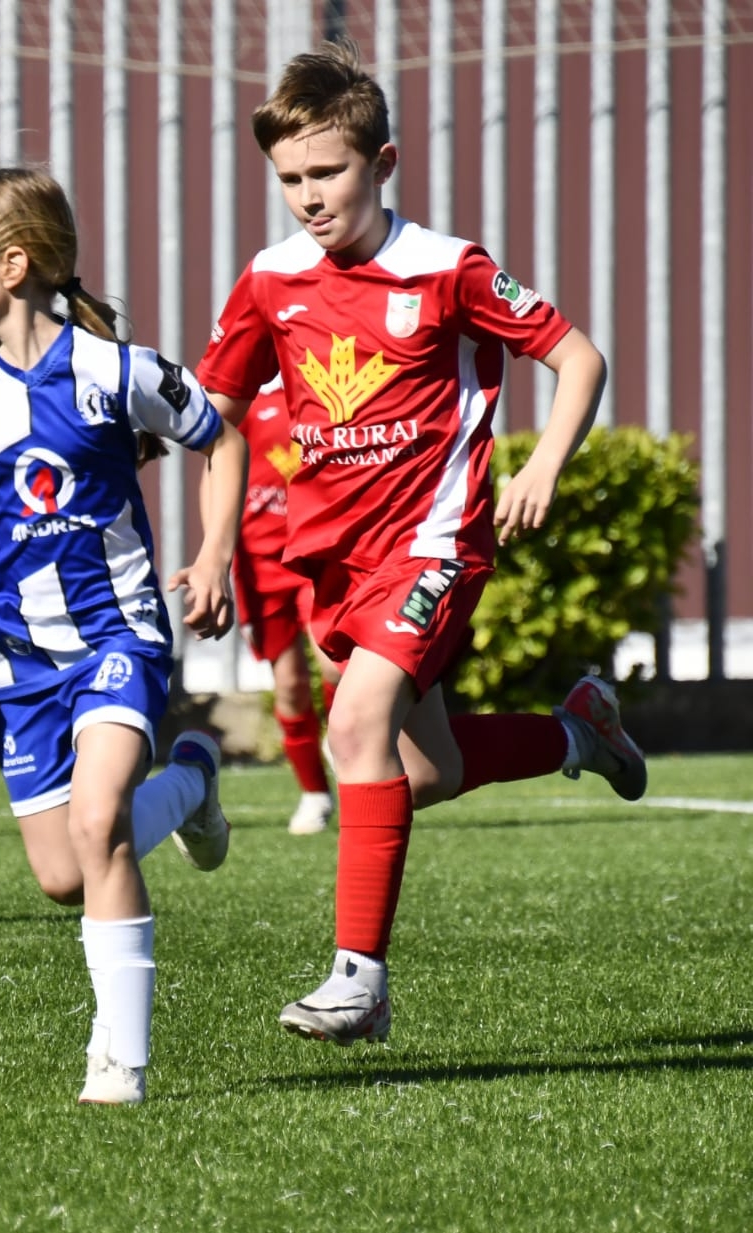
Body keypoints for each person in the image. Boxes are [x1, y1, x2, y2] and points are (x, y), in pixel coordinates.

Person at [196, 41, 647, 1047]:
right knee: (420, 770)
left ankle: (359, 981)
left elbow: (577, 356)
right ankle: (580, 730)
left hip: (435, 544)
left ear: (383, 163)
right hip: (336, 566)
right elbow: (213, 416)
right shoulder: (269, 282)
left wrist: (542, 468)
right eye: (290, 181)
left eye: (328, 173)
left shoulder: (446, 268)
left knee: (356, 731)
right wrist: (208, 548)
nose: (309, 197)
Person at [0, 166, 248, 1105]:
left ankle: (119, 1058)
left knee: (96, 820)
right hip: (18, 659)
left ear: (13, 264)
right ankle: (194, 782)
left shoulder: (117, 371)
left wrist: (215, 555)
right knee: (61, 875)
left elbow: (222, 439)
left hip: (119, 632)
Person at [232, 375, 341, 835]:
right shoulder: (245, 400)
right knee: (291, 684)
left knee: (334, 663)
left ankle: (344, 741)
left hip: (315, 554)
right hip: (260, 563)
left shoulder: (324, 390)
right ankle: (315, 794)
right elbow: (219, 469)